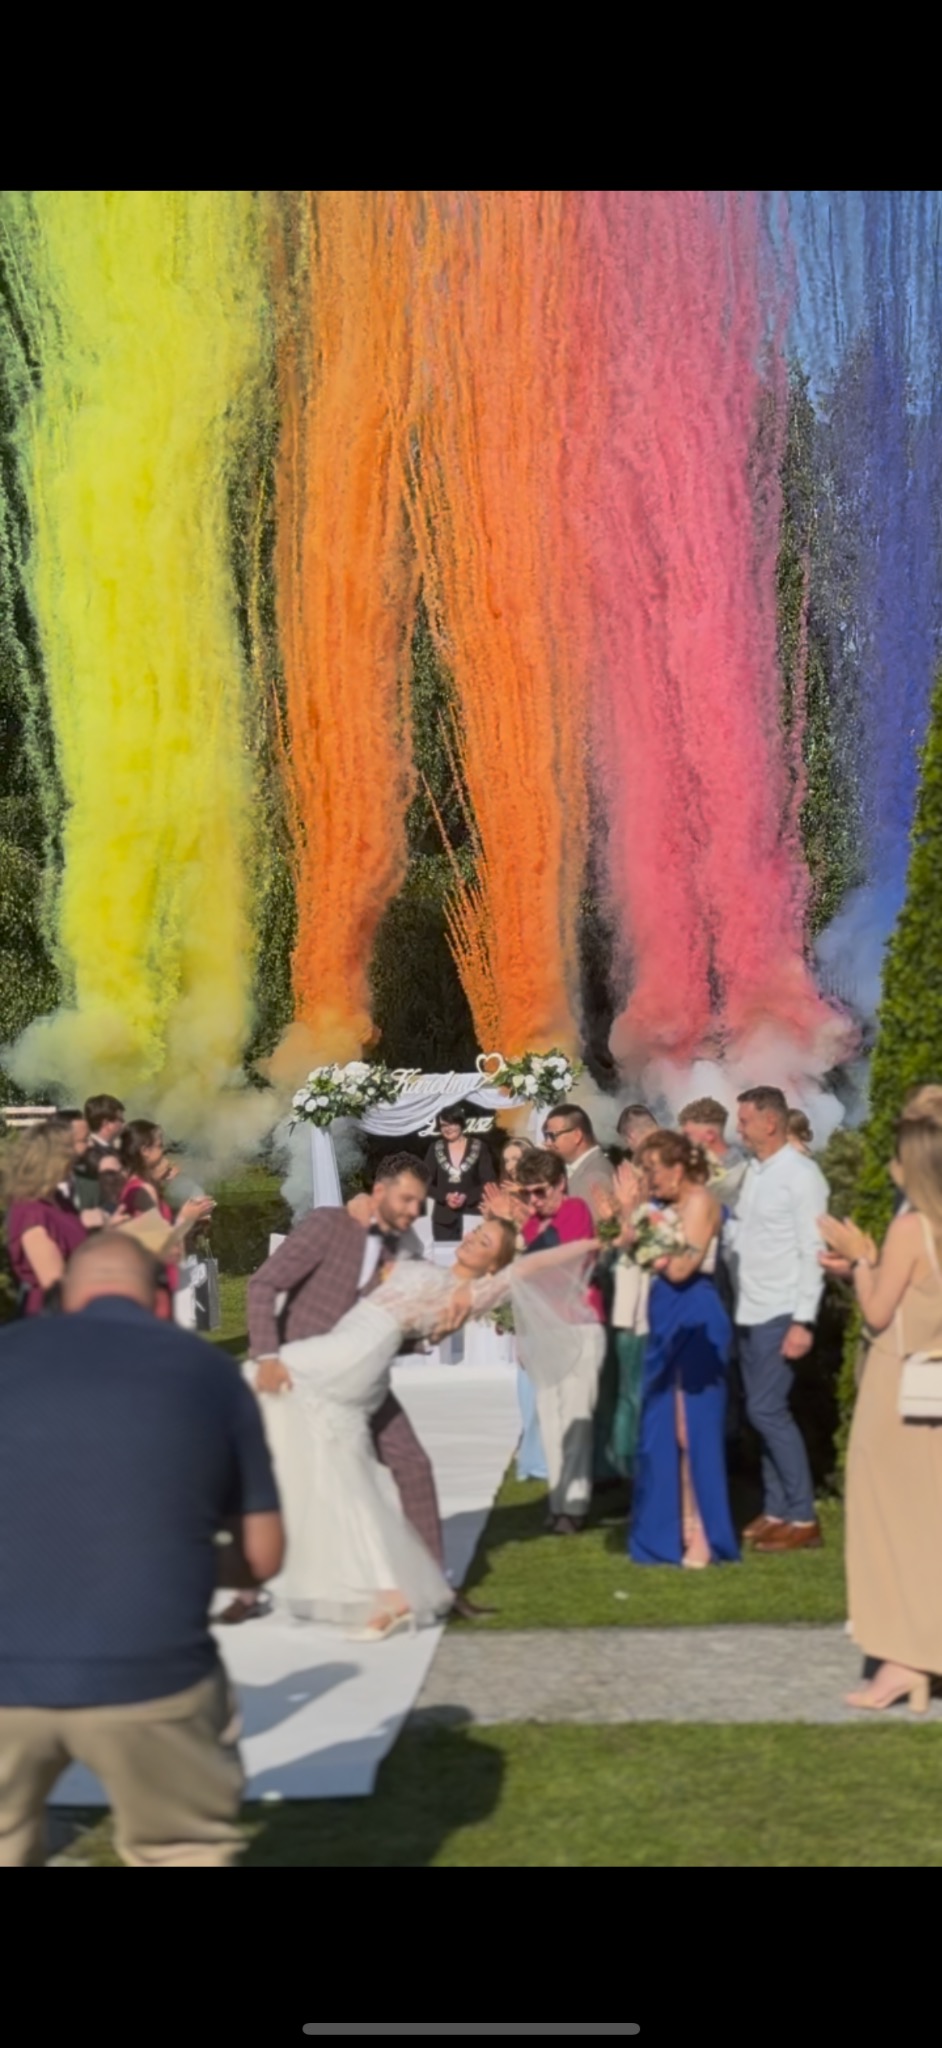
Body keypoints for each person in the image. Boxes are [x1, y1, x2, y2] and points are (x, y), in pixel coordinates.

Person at [0, 1234, 282, 1866]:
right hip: (151, 1664)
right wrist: (167, 1558)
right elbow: (262, 1556)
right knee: (181, 1849)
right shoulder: (206, 1371)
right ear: (160, 1299)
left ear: (60, 1298)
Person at [246, 1154, 489, 1622]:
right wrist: (268, 1357)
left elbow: (389, 1326)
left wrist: (428, 1337)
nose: (413, 1210)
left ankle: (435, 1590)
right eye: (406, 1199)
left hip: (361, 1379)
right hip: (304, 1371)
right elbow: (262, 1285)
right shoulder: (329, 1225)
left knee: (413, 1464)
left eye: (420, 1202)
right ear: (378, 1191)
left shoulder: (402, 1249)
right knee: (292, 1479)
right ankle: (255, 1583)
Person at [819, 1106, 942, 1713]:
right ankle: (923, 1655)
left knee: (884, 1527)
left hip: (898, 1388)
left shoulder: (910, 1228)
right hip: (936, 1383)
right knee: (929, 1527)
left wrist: (861, 1258)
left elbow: (876, 1312)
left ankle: (900, 1662)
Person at [618, 1133, 738, 1567]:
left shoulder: (701, 1202)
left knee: (695, 1430)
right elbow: (629, 1246)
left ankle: (702, 1531)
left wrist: (647, 1243)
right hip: (664, 1314)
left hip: (696, 1314)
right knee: (662, 1428)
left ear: (678, 1167)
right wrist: (632, 1223)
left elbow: (685, 1266)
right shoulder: (660, 1211)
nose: (650, 1179)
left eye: (653, 1169)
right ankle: (669, 1528)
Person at [728, 1086, 829, 1552]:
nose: (739, 1128)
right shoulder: (755, 1171)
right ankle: (776, 1510)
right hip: (750, 1307)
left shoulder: (801, 1175)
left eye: (744, 1120)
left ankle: (803, 1516)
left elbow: (814, 1252)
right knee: (761, 1412)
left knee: (767, 1410)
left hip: (781, 1310)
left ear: (771, 1122)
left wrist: (802, 1321)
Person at [513, 1148, 605, 1532]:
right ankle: (559, 1502)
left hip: (580, 1325)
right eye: (527, 1194)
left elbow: (558, 1261)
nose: (534, 1202)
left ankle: (576, 1506)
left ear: (560, 1184)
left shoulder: (576, 1211)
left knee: (577, 1418)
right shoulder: (533, 1225)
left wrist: (519, 1251)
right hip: (546, 1330)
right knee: (549, 1417)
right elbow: (525, 1284)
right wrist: (523, 1336)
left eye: (539, 1192)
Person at [484, 1145, 547, 1481]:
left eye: (516, 1158)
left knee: (534, 1364)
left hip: (538, 1286)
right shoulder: (499, 1200)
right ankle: (530, 1434)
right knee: (522, 1364)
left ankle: (539, 1441)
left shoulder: (538, 1199)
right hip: (512, 1285)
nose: (510, 1165)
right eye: (505, 1159)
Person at [117, 1121, 214, 1320]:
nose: (164, 1154)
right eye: (160, 1146)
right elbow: (161, 1247)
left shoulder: (138, 1185)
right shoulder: (143, 1191)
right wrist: (187, 1218)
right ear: (145, 1150)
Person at [2, 1120, 90, 1315]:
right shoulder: (31, 1213)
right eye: (68, 1149)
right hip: (54, 1319)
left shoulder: (58, 1201)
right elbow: (55, 1284)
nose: (75, 1155)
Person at [424, 1105, 495, 1246]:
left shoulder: (479, 1147)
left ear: (461, 1124)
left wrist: (467, 1196)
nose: (448, 1128)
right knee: (444, 1262)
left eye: (453, 1123)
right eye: (444, 1125)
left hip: (473, 1214)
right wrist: (445, 1197)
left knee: (473, 1258)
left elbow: (489, 1182)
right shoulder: (435, 1148)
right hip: (443, 1220)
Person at [543, 1106, 615, 1216]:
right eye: (546, 1136)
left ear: (577, 1135)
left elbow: (595, 1228)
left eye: (552, 1136)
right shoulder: (583, 1168)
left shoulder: (596, 1175)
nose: (547, 1143)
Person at [678, 1097, 748, 1206]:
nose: (682, 1141)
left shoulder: (744, 1173)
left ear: (710, 1135)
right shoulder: (693, 1171)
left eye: (687, 1135)